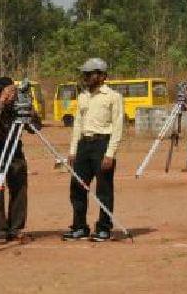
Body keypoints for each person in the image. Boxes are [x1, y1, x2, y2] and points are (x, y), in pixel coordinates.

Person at [64, 58, 124, 242]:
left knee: (104, 189)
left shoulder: (113, 97)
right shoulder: (82, 96)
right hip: (84, 145)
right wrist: (73, 150)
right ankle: (79, 227)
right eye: (85, 74)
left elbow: (118, 127)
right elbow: (78, 124)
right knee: (77, 187)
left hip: (102, 144)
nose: (86, 77)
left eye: (89, 74)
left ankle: (104, 228)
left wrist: (110, 154)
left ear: (102, 76)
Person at [0, 77, 41, 245]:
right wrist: (2, 102)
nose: (15, 93)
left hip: (14, 146)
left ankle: (16, 228)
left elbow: (36, 128)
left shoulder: (17, 106)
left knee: (19, 187)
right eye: (11, 90)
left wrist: (30, 112)